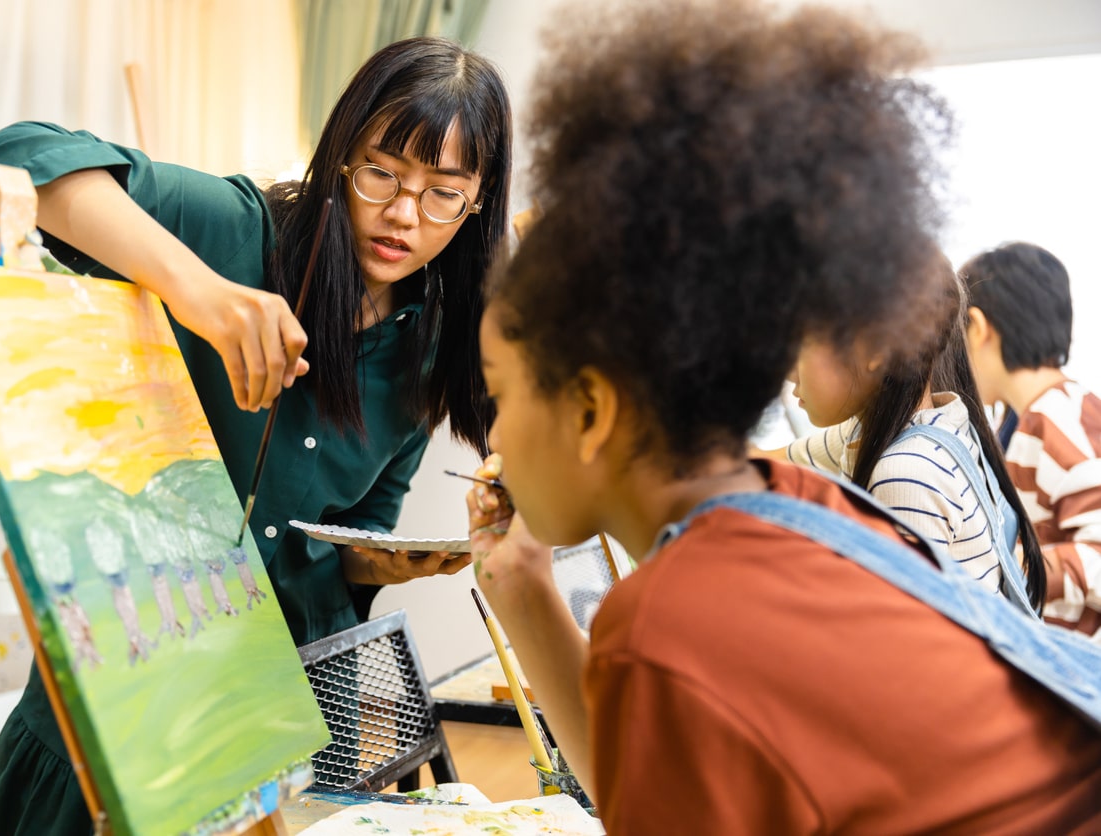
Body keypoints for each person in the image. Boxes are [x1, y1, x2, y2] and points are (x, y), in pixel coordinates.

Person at [463, 0, 1101, 832]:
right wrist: (519, 587)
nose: (497, 435)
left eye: (502, 393)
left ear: (589, 409)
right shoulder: (811, 510)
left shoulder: (667, 624)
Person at [0, 36, 512, 834]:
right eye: (382, 173)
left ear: (477, 202)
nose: (403, 213)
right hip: (114, 712)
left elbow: (358, 528)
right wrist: (201, 294)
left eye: (442, 194)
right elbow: (20, 161)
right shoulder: (236, 232)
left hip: (261, 738)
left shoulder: (430, 346)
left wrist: (376, 561)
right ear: (341, 157)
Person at [773, 261, 1046, 613]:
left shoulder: (907, 473)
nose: (788, 371)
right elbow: (773, 459)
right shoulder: (932, 425)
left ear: (874, 351)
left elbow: (905, 648)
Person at [960, 241, 1101, 638]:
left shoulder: (1061, 420)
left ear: (978, 328)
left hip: (1076, 671)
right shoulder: (1024, 419)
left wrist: (1004, 563)